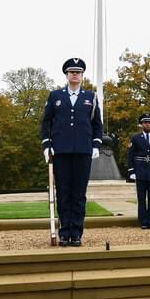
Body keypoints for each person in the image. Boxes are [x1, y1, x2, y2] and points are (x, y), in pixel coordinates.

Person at [40, 58, 102, 247]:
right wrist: (46, 144)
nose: (75, 75)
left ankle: (76, 233)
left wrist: (96, 144)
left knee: (79, 194)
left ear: (82, 75)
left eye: (78, 72)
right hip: (61, 150)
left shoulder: (90, 97)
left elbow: (97, 124)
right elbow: (46, 122)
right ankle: (64, 232)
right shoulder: (55, 96)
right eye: (71, 72)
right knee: (64, 193)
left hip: (83, 150)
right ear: (66, 75)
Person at [127, 113, 150, 229]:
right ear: (141, 124)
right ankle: (143, 221)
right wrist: (131, 171)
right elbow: (130, 155)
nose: (147, 124)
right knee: (141, 198)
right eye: (145, 122)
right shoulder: (135, 138)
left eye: (149, 122)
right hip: (140, 170)